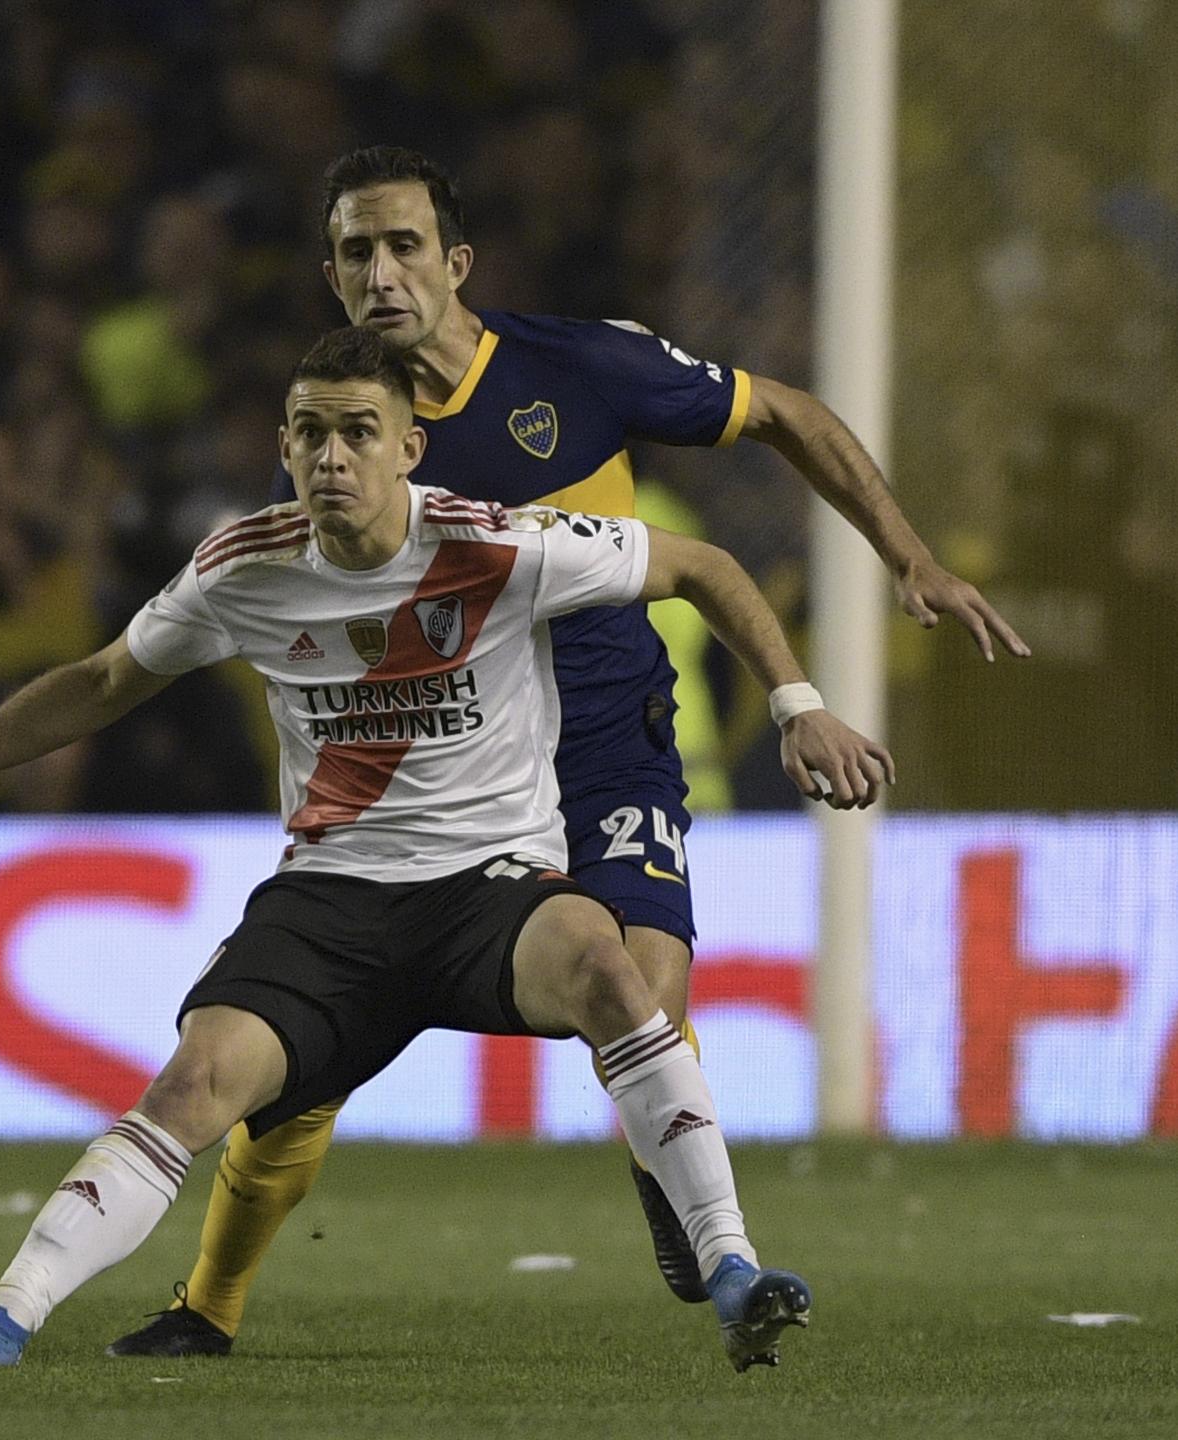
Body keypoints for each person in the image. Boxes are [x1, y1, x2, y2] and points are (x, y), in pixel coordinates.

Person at [0, 328, 892, 1371]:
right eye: (310, 432)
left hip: (490, 893)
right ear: (282, 447)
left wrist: (798, 704)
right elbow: (98, 684)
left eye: (359, 432)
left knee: (614, 971)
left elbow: (703, 567)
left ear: (407, 447)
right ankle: (4, 1319)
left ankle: (735, 1270)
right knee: (194, 1088)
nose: (332, 456)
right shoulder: (244, 567)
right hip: (331, 902)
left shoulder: (495, 544)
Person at [109, 146, 1032, 1358]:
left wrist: (904, 557)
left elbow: (786, 416)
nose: (381, 274)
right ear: (329, 274)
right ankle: (207, 1310)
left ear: (457, 262)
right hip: (434, 775)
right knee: (294, 1079)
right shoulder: (342, 424)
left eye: (402, 247)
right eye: (354, 252)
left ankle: (717, 1253)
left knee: (644, 990)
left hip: (600, 747)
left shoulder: (583, 368)